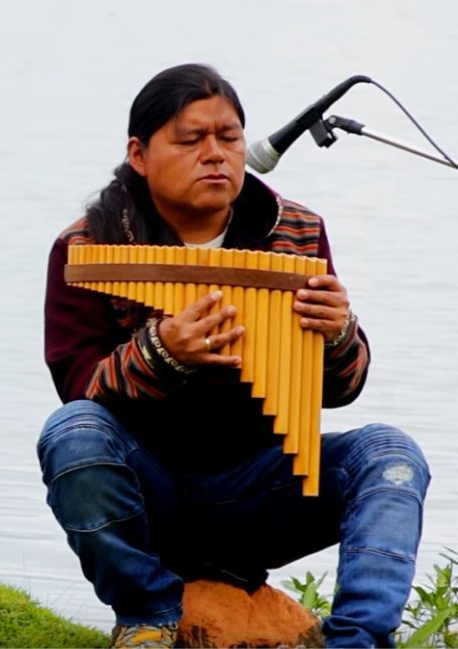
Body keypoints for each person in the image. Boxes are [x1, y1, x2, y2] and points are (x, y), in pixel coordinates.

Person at [36, 63, 429, 648]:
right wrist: (161, 353)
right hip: (149, 495)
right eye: (190, 140)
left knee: (391, 454)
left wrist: (339, 333)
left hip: (264, 490)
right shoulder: (86, 247)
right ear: (140, 155)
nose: (215, 155)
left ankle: (357, 639)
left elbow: (340, 389)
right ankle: (147, 616)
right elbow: (77, 388)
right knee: (71, 433)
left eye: (229, 138)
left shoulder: (297, 233)